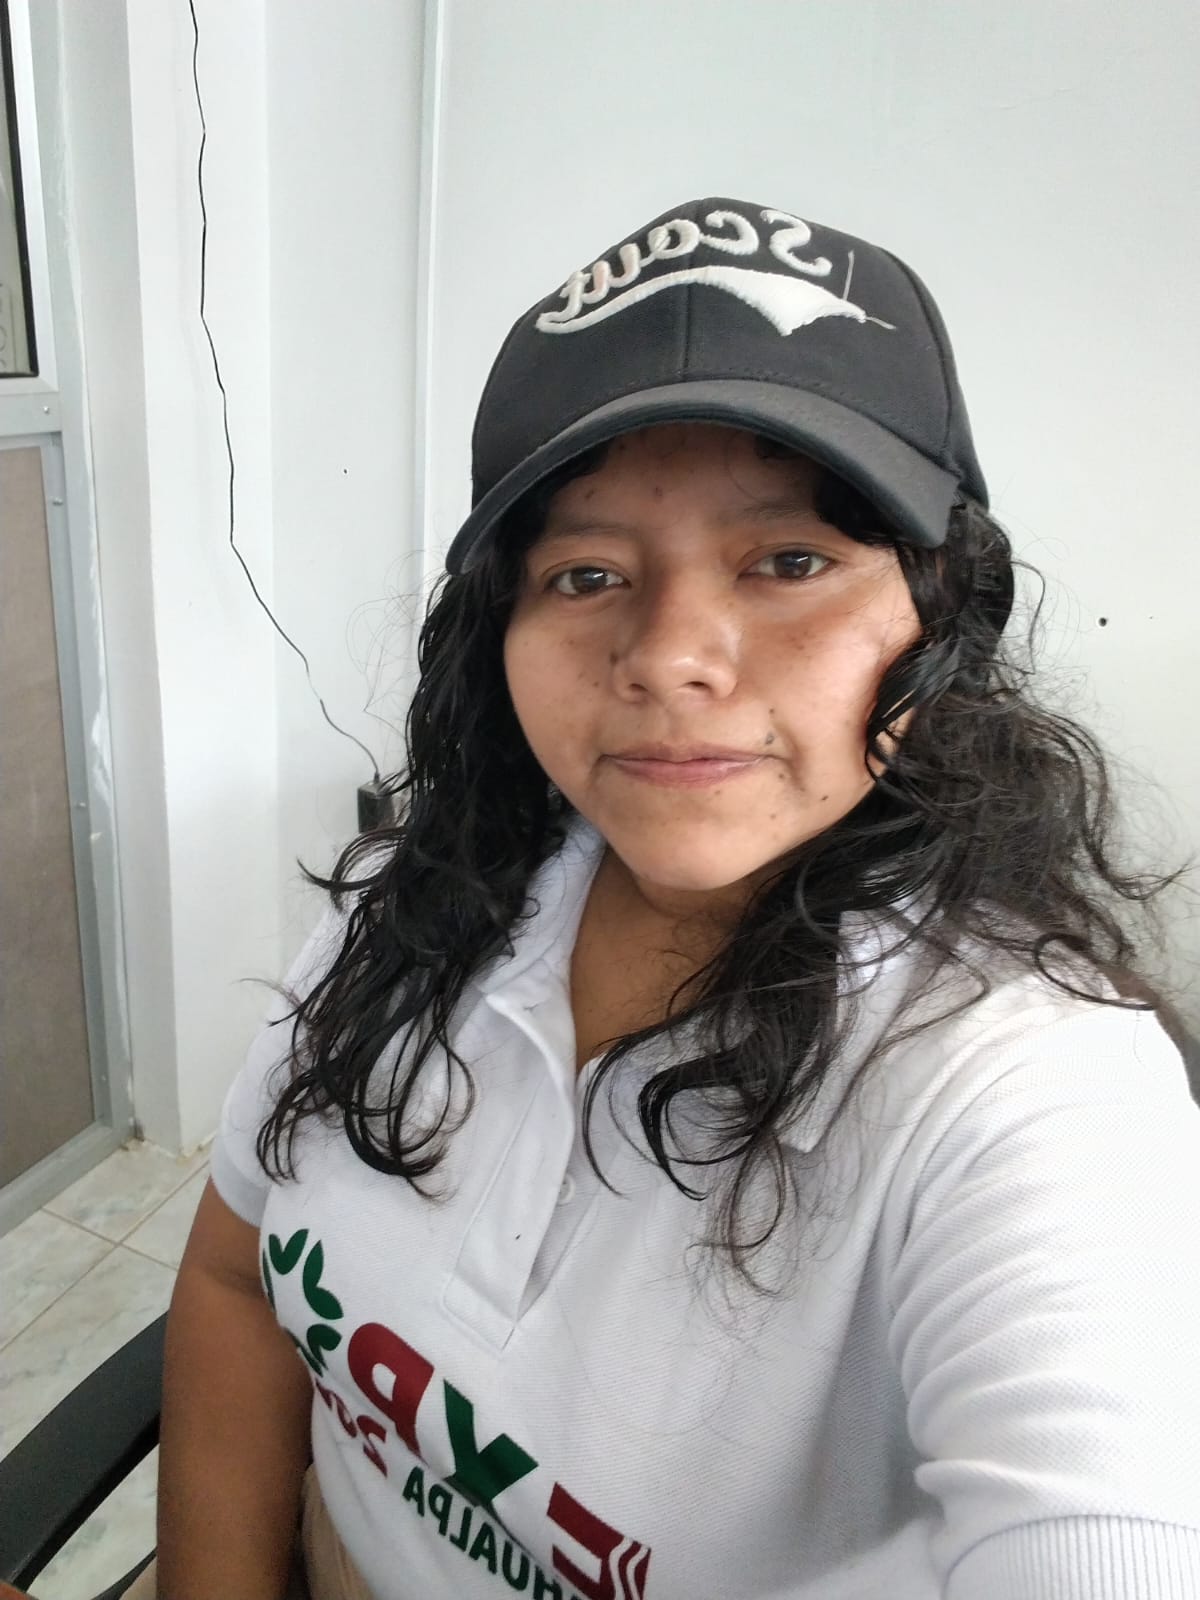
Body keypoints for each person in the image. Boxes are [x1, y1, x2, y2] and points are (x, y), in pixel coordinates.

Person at [147, 198, 1200, 1600]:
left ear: (942, 610)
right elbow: (238, 1282)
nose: (669, 656)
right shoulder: (419, 902)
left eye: (790, 562)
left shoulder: (1033, 1096)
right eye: (586, 575)